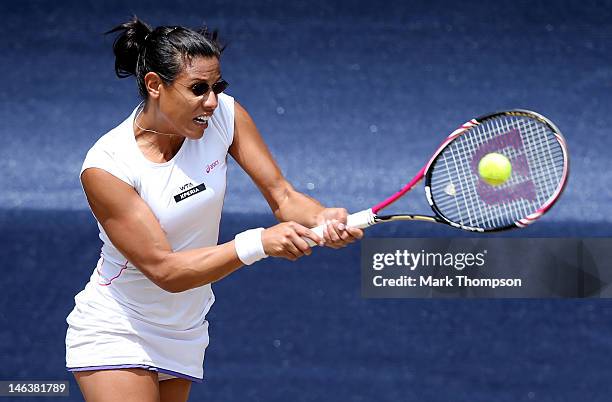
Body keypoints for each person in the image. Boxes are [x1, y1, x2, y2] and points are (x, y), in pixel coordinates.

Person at [64, 16, 363, 402]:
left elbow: (283, 196)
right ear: (155, 85)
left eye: (217, 87)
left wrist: (322, 217)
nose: (211, 101)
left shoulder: (225, 115)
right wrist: (258, 243)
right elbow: (165, 270)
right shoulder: (108, 167)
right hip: (119, 325)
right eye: (198, 89)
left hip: (185, 326)